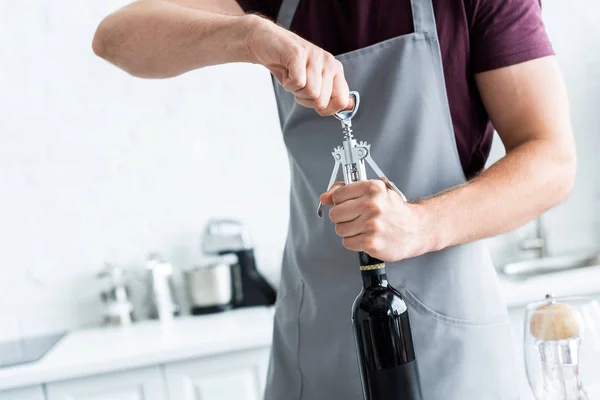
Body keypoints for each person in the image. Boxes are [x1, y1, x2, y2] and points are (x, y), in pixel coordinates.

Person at [92, 0, 576, 398]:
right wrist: (248, 36)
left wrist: (419, 225)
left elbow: (552, 161)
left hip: (455, 346)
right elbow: (116, 38)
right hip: (315, 343)